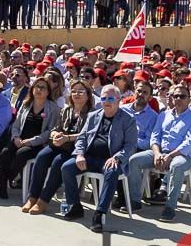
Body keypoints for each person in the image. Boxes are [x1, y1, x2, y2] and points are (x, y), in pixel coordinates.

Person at [55, 85, 138, 232]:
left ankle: (99, 213)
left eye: (110, 98)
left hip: (110, 159)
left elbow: (130, 145)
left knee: (111, 171)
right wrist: (79, 154)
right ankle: (75, 206)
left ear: (119, 100)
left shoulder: (128, 119)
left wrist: (117, 158)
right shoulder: (94, 116)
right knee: (67, 167)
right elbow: (82, 138)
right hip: (90, 157)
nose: (106, 101)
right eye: (104, 98)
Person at [127, 83, 191, 223]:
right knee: (134, 160)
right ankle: (135, 201)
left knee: (177, 166)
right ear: (171, 98)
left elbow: (189, 143)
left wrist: (169, 156)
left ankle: (170, 207)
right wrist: (157, 154)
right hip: (160, 152)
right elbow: (155, 136)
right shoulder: (163, 115)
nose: (178, 99)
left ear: (189, 99)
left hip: (181, 155)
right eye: (175, 96)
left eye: (182, 96)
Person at [26, 80, 93, 214]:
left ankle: (43, 200)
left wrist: (66, 138)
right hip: (59, 144)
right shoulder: (66, 110)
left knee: (57, 163)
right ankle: (32, 196)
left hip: (76, 149)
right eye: (74, 91)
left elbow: (88, 134)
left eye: (81, 91)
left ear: (88, 95)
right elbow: (56, 128)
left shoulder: (93, 114)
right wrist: (56, 135)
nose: (76, 94)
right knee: (41, 157)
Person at [0, 78, 60, 199]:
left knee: (22, 153)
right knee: (5, 152)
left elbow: (50, 131)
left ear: (48, 92)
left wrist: (31, 141)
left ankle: (10, 176)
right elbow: (16, 124)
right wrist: (16, 137)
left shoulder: (53, 108)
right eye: (37, 86)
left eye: (43, 87)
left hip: (37, 143)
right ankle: (3, 185)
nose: (39, 90)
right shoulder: (26, 104)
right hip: (20, 138)